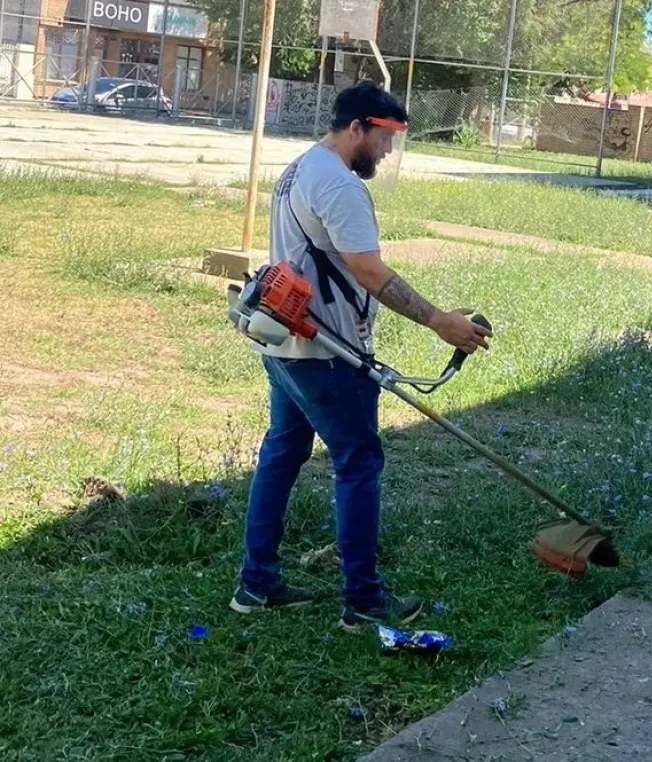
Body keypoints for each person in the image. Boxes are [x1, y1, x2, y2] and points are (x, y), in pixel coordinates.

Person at [229, 80, 492, 631]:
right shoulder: (339, 187)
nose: (388, 151)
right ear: (357, 128)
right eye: (385, 137)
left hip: (288, 344)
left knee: (282, 455)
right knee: (358, 464)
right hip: (329, 353)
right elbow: (370, 273)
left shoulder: (300, 169)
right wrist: (441, 320)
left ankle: (257, 585)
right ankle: (363, 600)